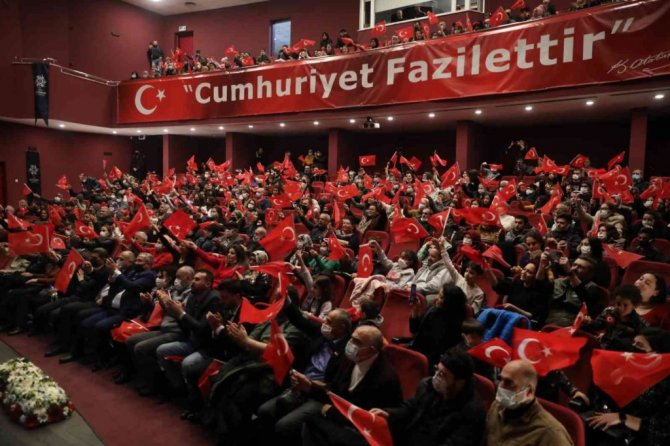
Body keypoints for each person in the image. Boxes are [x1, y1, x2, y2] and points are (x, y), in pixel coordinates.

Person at [299, 325, 403, 446]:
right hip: (340, 415)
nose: (350, 344)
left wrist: (332, 411)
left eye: (357, 342)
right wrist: (309, 387)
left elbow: (364, 413)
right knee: (305, 422)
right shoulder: (349, 359)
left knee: (311, 423)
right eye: (351, 338)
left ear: (371, 350)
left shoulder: (386, 377)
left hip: (361, 430)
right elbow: (335, 390)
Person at [370, 348, 486, 446]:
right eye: (437, 370)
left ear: (459, 382)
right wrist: (389, 414)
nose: (436, 377)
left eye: (443, 375)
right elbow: (410, 408)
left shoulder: (472, 412)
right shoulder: (427, 386)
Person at [485, 359, 573, 445]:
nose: (500, 387)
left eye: (509, 383)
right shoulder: (497, 407)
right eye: (500, 379)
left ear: (529, 391)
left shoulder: (550, 433)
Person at [407, 284, 468, 367]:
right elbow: (414, 330)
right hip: (418, 352)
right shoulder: (433, 310)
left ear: (450, 302)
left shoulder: (455, 324)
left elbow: (438, 350)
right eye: (438, 295)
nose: (436, 298)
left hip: (434, 362)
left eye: (441, 297)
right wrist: (415, 310)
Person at [581, 284, 648, 351]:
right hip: (602, 346)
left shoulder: (640, 323)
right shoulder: (609, 311)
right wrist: (589, 322)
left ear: (634, 305)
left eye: (625, 305)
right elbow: (598, 325)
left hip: (621, 352)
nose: (620, 308)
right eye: (618, 304)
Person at [543, 255, 605, 326]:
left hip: (572, 326)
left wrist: (570, 273)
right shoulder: (559, 282)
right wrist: (542, 267)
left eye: (581, 267)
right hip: (548, 323)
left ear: (590, 274)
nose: (575, 268)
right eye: (574, 265)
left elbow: (585, 300)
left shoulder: (592, 288)